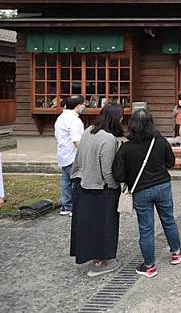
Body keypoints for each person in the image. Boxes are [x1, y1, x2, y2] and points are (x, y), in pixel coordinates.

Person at [113, 109, 181, 278]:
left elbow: (118, 174)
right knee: (168, 219)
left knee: (146, 228)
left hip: (140, 190)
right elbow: (171, 162)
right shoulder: (159, 141)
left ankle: (149, 265)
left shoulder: (126, 148)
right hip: (162, 185)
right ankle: (176, 252)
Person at [69, 103, 123, 277]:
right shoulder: (108, 139)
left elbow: (78, 158)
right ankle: (106, 259)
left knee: (88, 225)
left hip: (82, 183)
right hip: (101, 188)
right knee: (105, 226)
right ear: (116, 119)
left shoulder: (89, 130)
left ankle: (94, 258)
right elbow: (107, 170)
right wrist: (115, 187)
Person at [54, 95, 85, 216]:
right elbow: (76, 140)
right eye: (83, 105)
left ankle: (66, 206)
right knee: (75, 182)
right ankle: (73, 206)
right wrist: (84, 153)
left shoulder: (61, 117)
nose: (84, 107)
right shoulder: (74, 120)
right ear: (78, 106)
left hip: (63, 154)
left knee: (66, 181)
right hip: (73, 155)